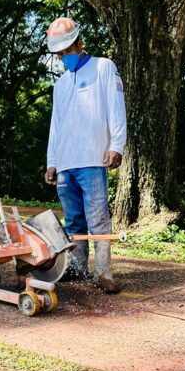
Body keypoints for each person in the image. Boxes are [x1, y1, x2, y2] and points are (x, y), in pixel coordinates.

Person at [44, 17, 127, 293]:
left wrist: (117, 144)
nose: (65, 57)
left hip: (93, 158)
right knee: (74, 220)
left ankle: (103, 272)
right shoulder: (60, 85)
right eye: (60, 53)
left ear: (80, 43)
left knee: (98, 218)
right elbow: (56, 125)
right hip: (66, 162)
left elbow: (116, 107)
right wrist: (52, 162)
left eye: (69, 50)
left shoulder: (103, 67)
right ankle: (77, 267)